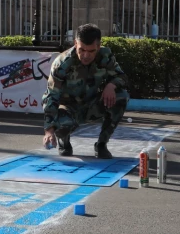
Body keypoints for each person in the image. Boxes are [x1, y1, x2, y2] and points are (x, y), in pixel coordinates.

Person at [42, 23, 130, 159]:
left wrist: (111, 85)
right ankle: (63, 141)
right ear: (75, 43)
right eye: (81, 50)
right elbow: (51, 96)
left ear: (98, 47)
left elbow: (122, 77)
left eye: (91, 51)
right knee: (59, 120)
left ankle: (101, 144)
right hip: (69, 110)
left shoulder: (105, 56)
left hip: (92, 105)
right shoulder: (62, 64)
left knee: (121, 96)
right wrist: (49, 130)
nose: (86, 55)